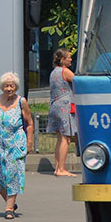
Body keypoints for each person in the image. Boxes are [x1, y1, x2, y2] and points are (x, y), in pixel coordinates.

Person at [0, 72, 33, 219]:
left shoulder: (21, 101)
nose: (9, 88)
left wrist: (29, 142)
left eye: (12, 86)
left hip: (15, 144)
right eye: (6, 86)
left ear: (16, 87)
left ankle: (9, 208)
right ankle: (10, 201)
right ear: (1, 87)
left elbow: (29, 123)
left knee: (12, 174)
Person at [46, 48, 78, 177]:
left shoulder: (54, 72)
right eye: (68, 57)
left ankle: (57, 167)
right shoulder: (65, 71)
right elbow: (79, 82)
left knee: (60, 138)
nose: (71, 59)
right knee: (66, 138)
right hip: (65, 105)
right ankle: (62, 169)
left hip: (55, 105)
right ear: (62, 59)